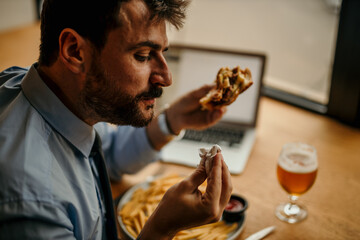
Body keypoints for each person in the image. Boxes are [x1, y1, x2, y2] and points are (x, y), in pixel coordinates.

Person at [0, 0, 233, 239]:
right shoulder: (32, 203)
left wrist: (173, 120)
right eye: (142, 56)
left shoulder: (65, 97)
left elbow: (107, 154)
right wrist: (163, 228)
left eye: (163, 53)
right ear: (74, 51)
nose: (166, 77)